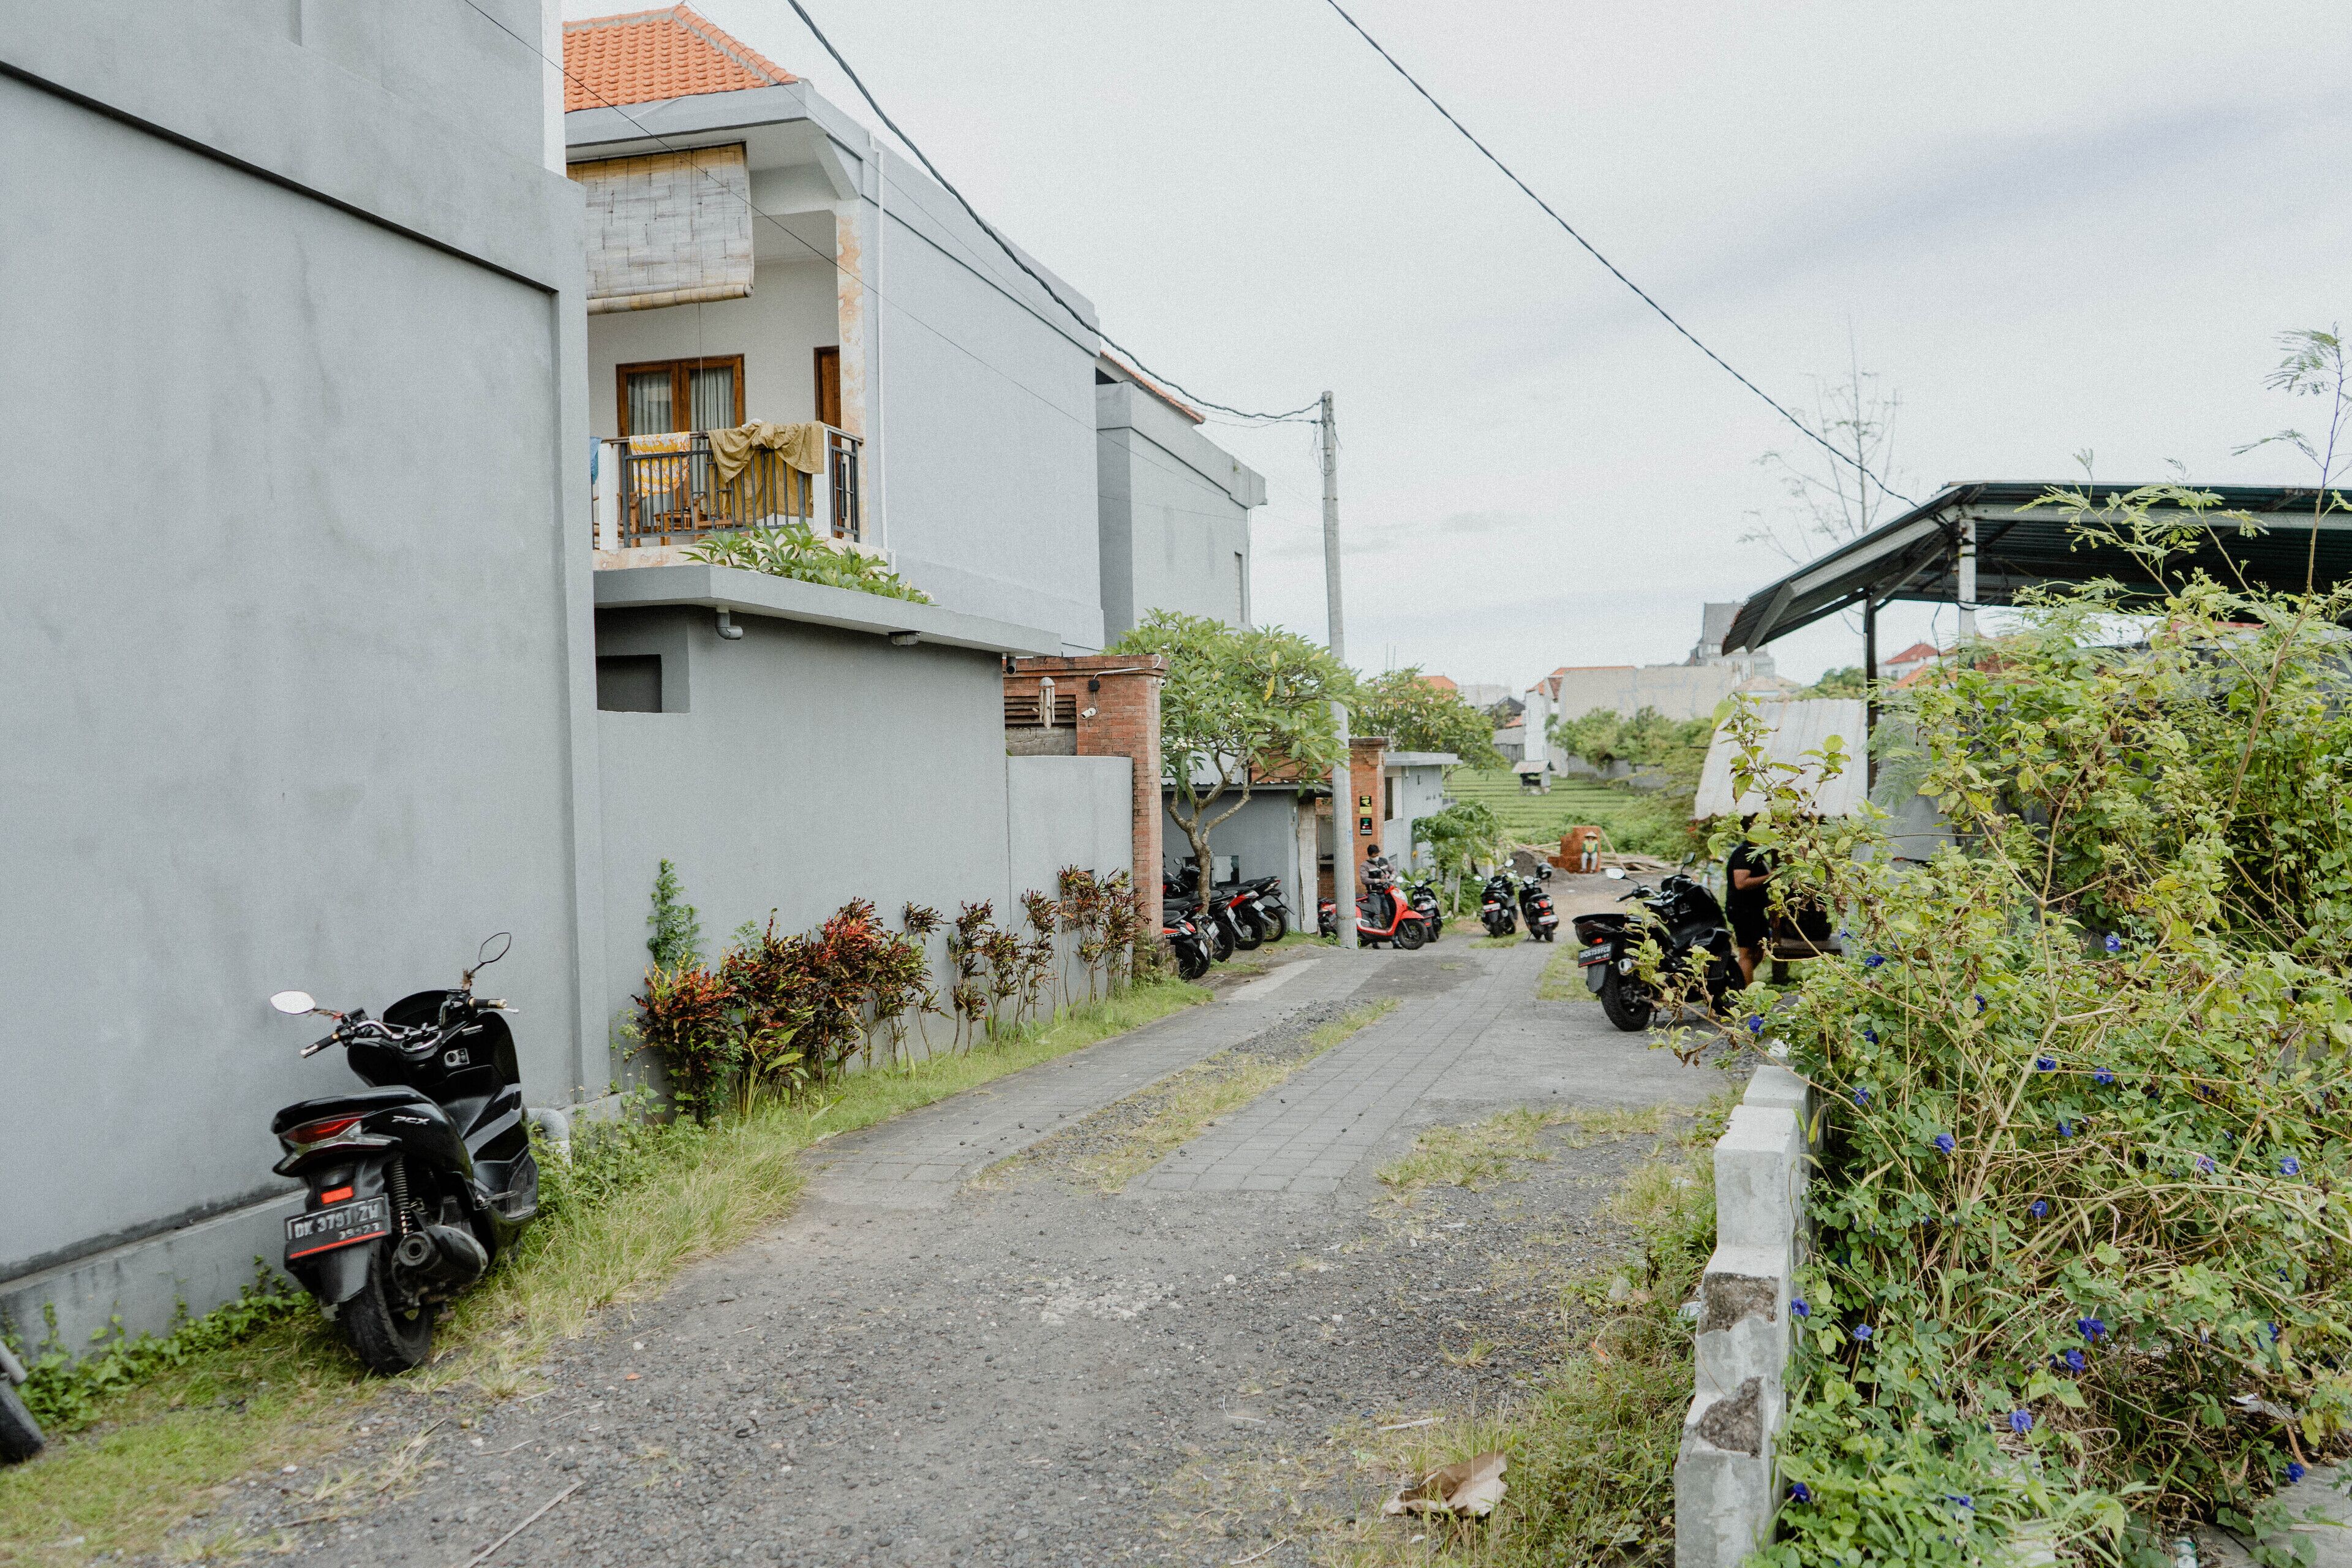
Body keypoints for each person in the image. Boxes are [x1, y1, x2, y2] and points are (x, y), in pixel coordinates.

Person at [1725, 820, 1772, 984]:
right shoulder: (1744, 852)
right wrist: (1771, 876)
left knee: (1761, 950)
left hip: (1756, 910)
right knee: (1746, 953)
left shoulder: (1758, 853)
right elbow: (1741, 883)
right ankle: (1744, 992)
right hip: (1743, 910)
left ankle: (1738, 982)